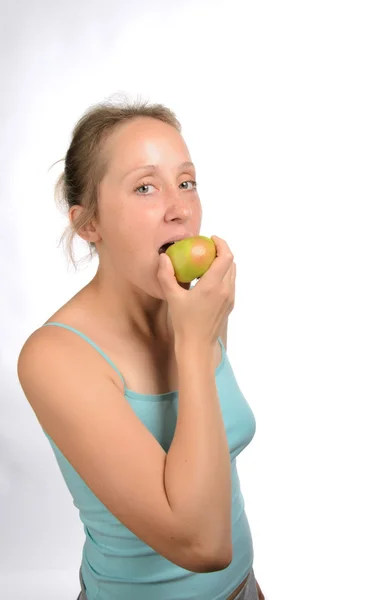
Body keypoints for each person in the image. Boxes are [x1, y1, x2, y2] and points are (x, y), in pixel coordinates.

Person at [17, 98, 265, 600]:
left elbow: (214, 475)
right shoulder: (55, 357)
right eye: (145, 187)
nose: (179, 209)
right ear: (90, 224)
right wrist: (193, 345)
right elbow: (202, 545)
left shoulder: (194, 308)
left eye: (187, 182)